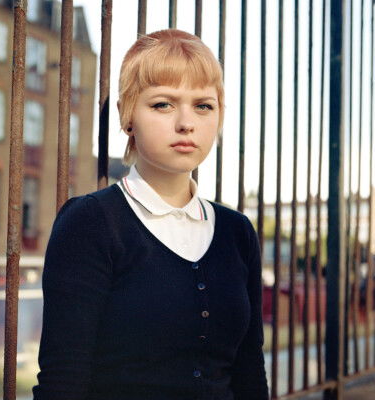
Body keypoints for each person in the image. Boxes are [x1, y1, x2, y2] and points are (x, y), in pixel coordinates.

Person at [32, 29, 268, 400]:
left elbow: (249, 370)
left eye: (203, 105)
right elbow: (64, 379)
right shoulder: (91, 222)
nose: (186, 123)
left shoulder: (237, 232)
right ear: (129, 116)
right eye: (163, 104)